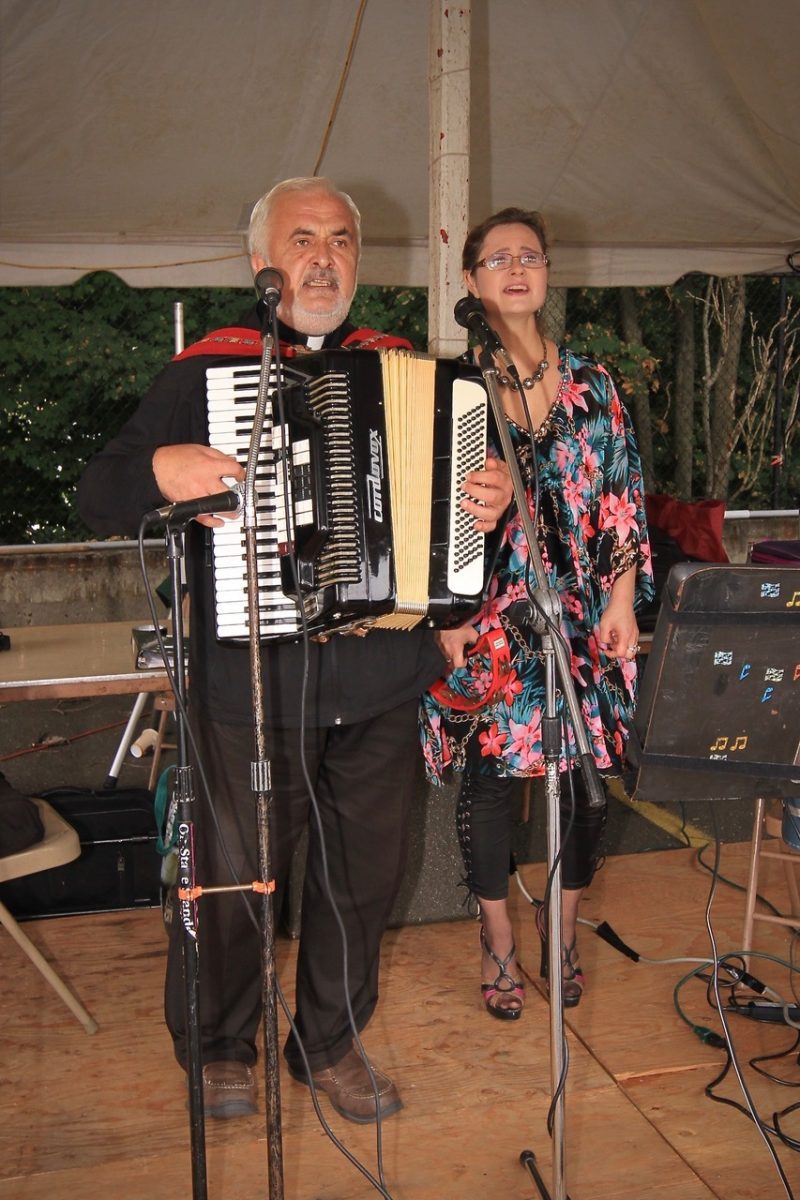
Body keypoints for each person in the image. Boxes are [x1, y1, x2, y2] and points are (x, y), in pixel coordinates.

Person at [77, 177, 512, 1121]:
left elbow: (466, 512)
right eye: (303, 238)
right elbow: (98, 491)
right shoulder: (204, 373)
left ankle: (328, 1044)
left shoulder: (405, 368)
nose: (324, 257)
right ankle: (219, 1047)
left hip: (382, 678)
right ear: (261, 263)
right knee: (233, 881)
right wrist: (160, 467)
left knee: (364, 880)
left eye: (341, 240)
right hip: (251, 683)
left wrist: (493, 499)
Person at [421, 207, 653, 1018]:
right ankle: (497, 939)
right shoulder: (456, 385)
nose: (517, 268)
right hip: (490, 615)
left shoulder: (595, 383)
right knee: (491, 786)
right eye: (499, 258)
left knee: (587, 785)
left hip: (582, 616)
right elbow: (426, 510)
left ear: (548, 272)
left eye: (530, 256)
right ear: (471, 280)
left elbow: (621, 497)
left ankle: (562, 927)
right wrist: (446, 614)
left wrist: (621, 599)